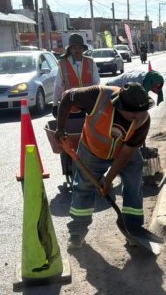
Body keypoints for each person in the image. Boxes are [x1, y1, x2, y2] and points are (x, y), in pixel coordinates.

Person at [54, 83, 154, 250]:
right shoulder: (96, 97)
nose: (138, 116)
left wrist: (108, 180)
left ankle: (133, 230)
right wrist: (60, 129)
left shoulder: (143, 120)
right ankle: (77, 234)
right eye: (133, 113)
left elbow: (125, 153)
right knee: (84, 188)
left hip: (124, 153)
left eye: (141, 111)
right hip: (92, 150)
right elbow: (67, 97)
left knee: (133, 185)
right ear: (119, 105)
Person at [52, 33, 100, 118]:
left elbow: (97, 83)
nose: (77, 50)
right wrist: (55, 105)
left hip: (88, 107)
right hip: (70, 107)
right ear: (70, 49)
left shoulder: (90, 62)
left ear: (83, 49)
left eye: (79, 48)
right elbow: (58, 86)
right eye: (74, 48)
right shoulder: (63, 64)